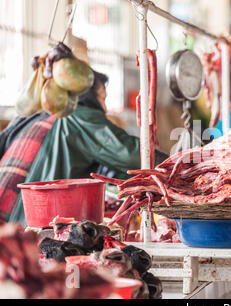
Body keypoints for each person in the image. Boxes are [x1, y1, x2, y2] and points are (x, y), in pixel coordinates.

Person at [0, 70, 167, 224]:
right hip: (30, 224)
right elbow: (131, 154)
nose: (105, 107)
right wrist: (178, 165)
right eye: (102, 98)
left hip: (9, 223)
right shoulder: (78, 118)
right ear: (86, 96)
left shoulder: (35, 117)